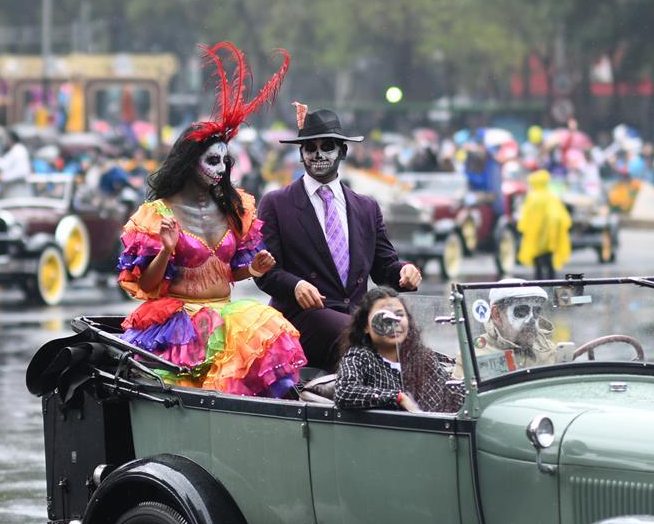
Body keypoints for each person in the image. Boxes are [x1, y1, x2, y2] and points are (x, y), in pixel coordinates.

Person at [117, 41, 305, 397]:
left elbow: (232, 270)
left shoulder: (237, 210)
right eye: (212, 161)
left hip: (227, 316)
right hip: (179, 327)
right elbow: (146, 287)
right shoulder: (156, 215)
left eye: (224, 162)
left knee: (267, 328)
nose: (221, 170)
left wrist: (255, 269)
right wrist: (164, 251)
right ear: (189, 163)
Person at [255, 105, 422, 371]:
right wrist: (296, 286)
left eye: (328, 146)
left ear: (343, 152)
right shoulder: (276, 203)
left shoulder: (366, 207)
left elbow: (384, 268)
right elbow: (265, 272)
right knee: (371, 339)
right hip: (302, 319)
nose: (318, 154)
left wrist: (406, 271)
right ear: (301, 154)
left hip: (357, 318)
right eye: (310, 148)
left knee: (410, 343)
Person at [335, 287, 465, 413]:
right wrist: (397, 398)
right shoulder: (360, 357)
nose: (394, 322)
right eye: (384, 317)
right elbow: (345, 392)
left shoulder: (423, 357)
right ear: (365, 326)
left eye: (399, 315)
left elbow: (452, 397)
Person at [472, 280, 556, 373]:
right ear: (497, 315)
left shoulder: (548, 349)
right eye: (521, 311)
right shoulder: (474, 355)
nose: (531, 321)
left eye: (536, 311)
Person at [516, 169, 572, 280]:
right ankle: (551, 284)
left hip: (534, 237)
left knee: (537, 263)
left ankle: (538, 284)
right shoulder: (550, 197)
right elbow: (559, 217)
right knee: (548, 262)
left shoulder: (532, 197)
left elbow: (524, 218)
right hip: (548, 238)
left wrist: (524, 229)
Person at [0, 129, 32, 197]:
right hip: (15, 188)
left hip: (18, 189)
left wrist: (2, 177)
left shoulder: (18, 150)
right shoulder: (16, 150)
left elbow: (20, 172)